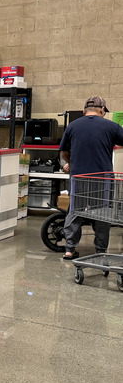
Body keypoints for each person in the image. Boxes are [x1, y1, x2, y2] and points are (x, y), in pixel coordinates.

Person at [59, 96, 123, 260]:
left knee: (75, 211)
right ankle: (101, 251)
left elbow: (64, 152)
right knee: (102, 214)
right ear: (102, 110)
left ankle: (69, 249)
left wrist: (71, 164)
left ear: (84, 110)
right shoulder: (112, 126)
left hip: (79, 176)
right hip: (103, 178)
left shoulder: (72, 126)